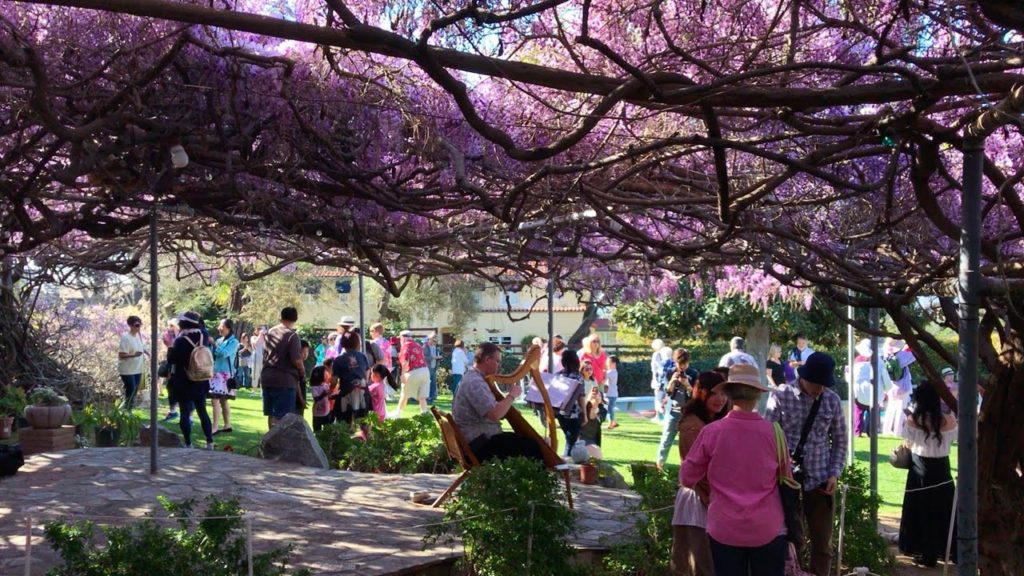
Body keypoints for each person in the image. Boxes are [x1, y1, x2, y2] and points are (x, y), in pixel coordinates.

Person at [680, 364, 787, 576]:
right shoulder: (774, 433)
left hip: (724, 526)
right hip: (768, 525)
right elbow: (786, 477)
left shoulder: (712, 432)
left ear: (728, 393)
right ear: (758, 394)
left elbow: (686, 477)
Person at [766, 352, 847, 576]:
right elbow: (768, 436)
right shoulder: (782, 395)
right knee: (792, 541)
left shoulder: (831, 400)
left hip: (821, 480)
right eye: (816, 383)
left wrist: (834, 474)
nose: (819, 389)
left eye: (824, 384)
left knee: (822, 545)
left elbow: (840, 441)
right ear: (804, 377)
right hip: (786, 480)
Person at [671, 370, 728, 576]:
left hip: (713, 499)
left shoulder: (715, 422)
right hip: (698, 500)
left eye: (723, 394)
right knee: (697, 564)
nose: (720, 399)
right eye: (714, 393)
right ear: (701, 392)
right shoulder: (692, 425)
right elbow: (696, 472)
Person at [451, 342, 543, 462]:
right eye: (497, 361)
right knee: (532, 446)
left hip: (477, 440)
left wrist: (506, 408)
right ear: (487, 359)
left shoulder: (474, 378)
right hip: (479, 445)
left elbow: (490, 410)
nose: (499, 365)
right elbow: (494, 414)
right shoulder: (475, 382)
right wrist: (511, 396)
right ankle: (533, 480)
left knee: (526, 442)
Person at [899, 383, 958, 568]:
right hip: (942, 470)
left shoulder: (912, 421)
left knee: (921, 512)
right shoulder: (950, 420)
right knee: (944, 512)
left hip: (920, 470)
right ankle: (949, 550)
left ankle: (926, 553)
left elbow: (907, 441)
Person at [166, 311, 214, 449]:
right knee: (202, 411)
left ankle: (188, 443)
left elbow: (172, 359)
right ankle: (210, 441)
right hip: (201, 379)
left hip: (184, 381)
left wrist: (170, 348)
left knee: (185, 412)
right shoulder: (202, 336)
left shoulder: (180, 341)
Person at [260, 307, 305, 429]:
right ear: (295, 319)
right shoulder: (292, 336)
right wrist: (302, 372)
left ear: (281, 316)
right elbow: (296, 360)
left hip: (267, 377)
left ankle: (270, 441)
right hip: (284, 379)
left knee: (271, 414)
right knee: (283, 416)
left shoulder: (269, 333)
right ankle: (279, 443)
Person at [657, 348, 699, 470]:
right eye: (680, 364)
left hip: (688, 413)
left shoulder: (694, 373)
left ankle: (688, 468)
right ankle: (659, 466)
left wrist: (687, 385)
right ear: (675, 362)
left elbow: (696, 395)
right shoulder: (670, 372)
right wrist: (671, 382)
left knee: (689, 443)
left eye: (685, 364)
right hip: (673, 412)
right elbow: (667, 393)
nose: (682, 367)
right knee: (666, 440)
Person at [851, 338, 890, 437]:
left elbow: (850, 377)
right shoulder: (879, 361)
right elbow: (885, 378)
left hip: (859, 392)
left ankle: (857, 431)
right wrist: (887, 389)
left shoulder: (856, 361)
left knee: (858, 411)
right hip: (875, 392)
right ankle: (871, 432)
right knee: (873, 413)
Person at [331, 331, 370, 425]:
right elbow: (367, 375)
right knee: (362, 423)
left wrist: (330, 390)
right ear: (358, 343)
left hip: (345, 393)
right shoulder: (362, 357)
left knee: (344, 423)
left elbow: (334, 381)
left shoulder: (338, 360)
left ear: (342, 344)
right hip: (362, 393)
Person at [210, 318, 239, 435]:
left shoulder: (234, 342)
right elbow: (214, 354)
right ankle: (227, 425)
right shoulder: (219, 340)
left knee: (216, 399)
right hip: (216, 373)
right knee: (222, 400)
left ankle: (215, 428)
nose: (219, 328)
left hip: (225, 375)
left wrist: (213, 344)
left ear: (228, 328)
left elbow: (224, 353)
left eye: (221, 326)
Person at [554, 349, 587, 455]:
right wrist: (585, 414)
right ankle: (566, 463)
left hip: (560, 412)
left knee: (569, 438)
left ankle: (567, 460)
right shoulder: (578, 376)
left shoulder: (558, 375)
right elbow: (581, 397)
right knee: (571, 440)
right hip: (573, 413)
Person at [882, 338, 915, 436]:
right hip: (902, 387)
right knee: (901, 409)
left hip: (891, 386)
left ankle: (886, 430)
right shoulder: (901, 356)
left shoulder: (886, 356)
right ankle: (897, 431)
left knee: (890, 409)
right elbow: (915, 355)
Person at [394, 330, 430, 417]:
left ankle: (397, 413)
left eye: (400, 338)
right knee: (422, 397)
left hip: (413, 371)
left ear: (403, 337)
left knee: (404, 394)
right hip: (425, 371)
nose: (400, 341)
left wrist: (402, 375)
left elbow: (405, 362)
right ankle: (424, 414)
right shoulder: (418, 345)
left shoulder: (405, 346)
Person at [117, 315, 147, 409]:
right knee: (131, 389)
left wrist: (149, 353)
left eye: (140, 325)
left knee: (134, 391)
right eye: (136, 325)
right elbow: (121, 354)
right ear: (130, 325)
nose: (138, 327)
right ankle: (127, 409)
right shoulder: (126, 337)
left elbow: (141, 348)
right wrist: (134, 355)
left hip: (137, 369)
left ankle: (129, 410)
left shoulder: (138, 337)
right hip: (127, 369)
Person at [160, 318, 180, 421]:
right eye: (169, 326)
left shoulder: (181, 337)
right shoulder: (171, 336)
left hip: (179, 367)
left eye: (172, 326)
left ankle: (187, 416)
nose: (170, 328)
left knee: (179, 389)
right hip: (171, 366)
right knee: (170, 387)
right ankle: (173, 411)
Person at [651, 339, 674, 420]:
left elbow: (655, 369)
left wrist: (656, 381)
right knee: (664, 398)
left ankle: (661, 415)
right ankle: (662, 415)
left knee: (659, 397)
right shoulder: (671, 359)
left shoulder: (658, 356)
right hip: (667, 382)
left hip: (661, 381)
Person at [309, 365, 333, 431]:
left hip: (326, 411)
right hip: (317, 413)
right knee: (317, 431)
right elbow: (316, 398)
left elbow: (329, 396)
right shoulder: (314, 387)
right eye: (325, 374)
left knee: (327, 431)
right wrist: (324, 394)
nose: (327, 376)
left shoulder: (326, 385)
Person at [424, 333, 440, 405]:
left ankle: (431, 398)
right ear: (429, 339)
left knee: (433, 384)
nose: (434, 342)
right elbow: (424, 357)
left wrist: (438, 357)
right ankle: (426, 398)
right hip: (427, 368)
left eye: (435, 341)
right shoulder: (425, 347)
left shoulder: (435, 347)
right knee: (427, 383)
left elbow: (437, 356)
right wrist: (433, 357)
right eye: (433, 340)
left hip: (433, 367)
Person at [605, 355, 620, 430]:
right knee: (610, 409)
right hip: (611, 394)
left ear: (614, 363)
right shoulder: (611, 372)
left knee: (609, 409)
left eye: (608, 362)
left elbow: (604, 376)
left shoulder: (612, 372)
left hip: (611, 394)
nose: (607, 364)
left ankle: (611, 423)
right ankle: (613, 422)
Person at [251, 325, 267, 390]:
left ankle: (262, 391)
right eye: (258, 329)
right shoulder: (253, 337)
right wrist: (260, 335)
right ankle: (254, 390)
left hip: (264, 360)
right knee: (255, 375)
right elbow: (255, 344)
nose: (260, 330)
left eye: (261, 329)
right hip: (256, 359)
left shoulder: (266, 338)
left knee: (263, 376)